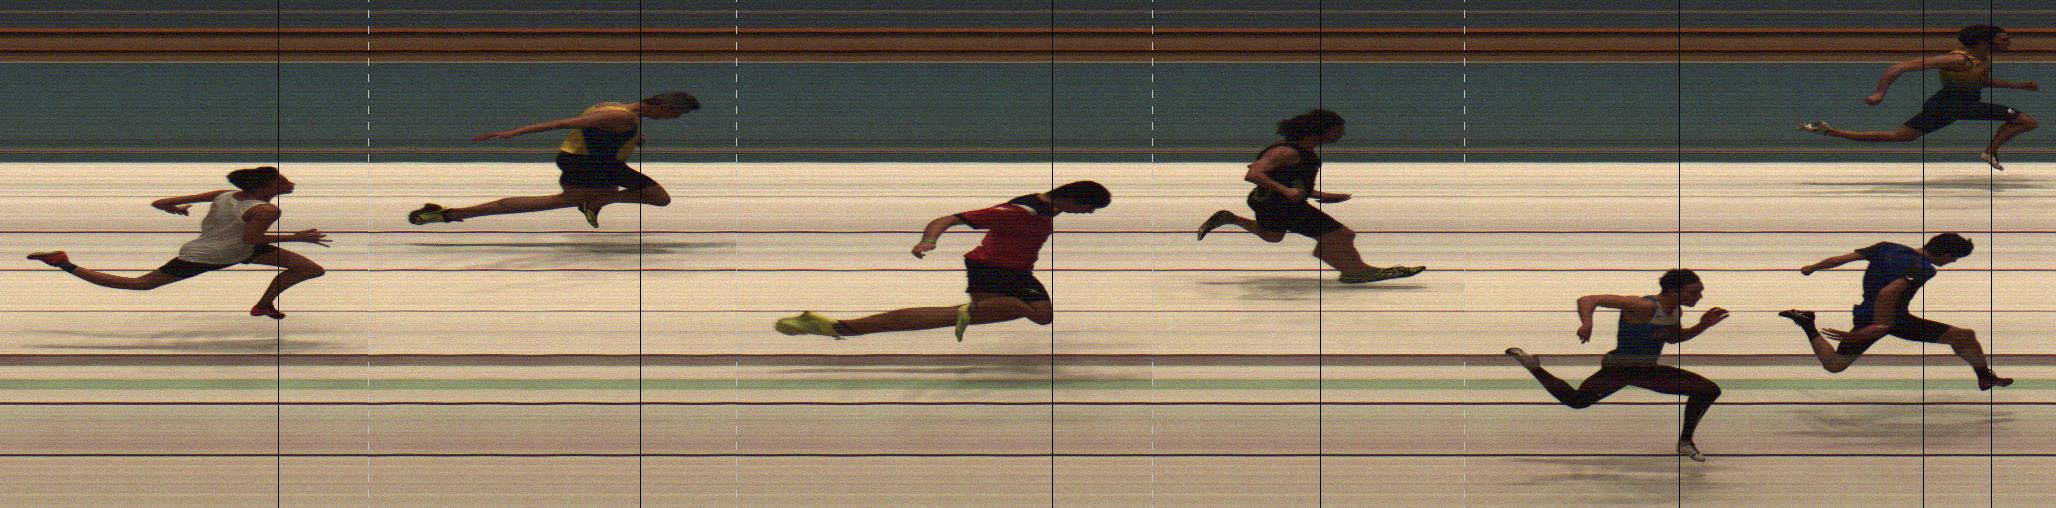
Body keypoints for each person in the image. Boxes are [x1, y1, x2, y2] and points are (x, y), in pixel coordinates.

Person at [774, 181, 1111, 341]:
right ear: (1071, 199)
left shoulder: (1049, 205)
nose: (1089, 213)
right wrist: (929, 240)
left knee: (1041, 316)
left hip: (1016, 269)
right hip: (994, 268)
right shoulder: (1020, 211)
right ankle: (839, 326)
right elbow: (949, 218)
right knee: (1020, 311)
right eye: (1088, 208)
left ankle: (835, 327)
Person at [26, 166, 329, 319]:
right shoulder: (266, 210)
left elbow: (160, 202)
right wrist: (298, 237)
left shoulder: (223, 195)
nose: (290, 183)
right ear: (266, 187)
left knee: (310, 269)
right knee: (140, 285)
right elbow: (252, 238)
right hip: (213, 255)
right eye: (283, 181)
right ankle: (63, 263)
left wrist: (175, 208)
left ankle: (263, 306)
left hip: (234, 249)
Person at [1504, 269, 1728, 462]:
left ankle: (1685, 442)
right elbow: (1588, 299)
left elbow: (1673, 338)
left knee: (1708, 390)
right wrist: (1587, 324)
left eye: (1700, 291)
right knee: (1576, 401)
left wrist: (1702, 325)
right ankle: (1534, 367)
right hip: (1620, 369)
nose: (1700, 296)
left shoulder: (1675, 311)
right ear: (1673, 291)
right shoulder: (1643, 305)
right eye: (1694, 292)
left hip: (1646, 370)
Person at [1194, 109, 1423, 283]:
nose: (1342, 134)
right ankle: (1355, 271)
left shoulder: (1304, 152)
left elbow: (1293, 182)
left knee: (1273, 236)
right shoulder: (1285, 151)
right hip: (1279, 204)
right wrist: (1286, 191)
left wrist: (1322, 195)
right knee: (1342, 235)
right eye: (1338, 130)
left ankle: (1230, 218)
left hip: (1272, 202)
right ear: (1321, 130)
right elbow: (1254, 174)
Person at [408, 91, 699, 227]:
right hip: (592, 165)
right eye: (677, 114)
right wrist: (513, 133)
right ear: (662, 106)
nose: (675, 119)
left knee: (564, 200)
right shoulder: (618, 116)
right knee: (659, 197)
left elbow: (598, 132)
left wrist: (632, 138)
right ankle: (595, 202)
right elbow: (563, 123)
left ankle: (447, 214)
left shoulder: (614, 107)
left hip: (584, 161)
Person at [1780, 233, 2012, 390]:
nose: (1953, 262)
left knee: (1964, 336)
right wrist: (1879, 327)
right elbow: (1887, 294)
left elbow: (1841, 259)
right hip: (1882, 320)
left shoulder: (1886, 247)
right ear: (1946, 255)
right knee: (1834, 365)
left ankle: (1984, 377)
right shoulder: (1924, 268)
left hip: (1889, 317)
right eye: (1954, 258)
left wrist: (1813, 267)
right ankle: (1807, 323)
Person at [1799, 25, 2039, 170]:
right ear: (1984, 42)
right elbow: (1899, 67)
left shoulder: (1979, 60)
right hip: (1953, 105)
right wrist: (1880, 92)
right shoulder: (1957, 59)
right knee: (2026, 121)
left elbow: (1981, 81)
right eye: (2003, 39)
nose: (2009, 42)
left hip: (1946, 106)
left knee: (1899, 137)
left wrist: (2018, 86)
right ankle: (1989, 151)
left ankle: (1829, 131)